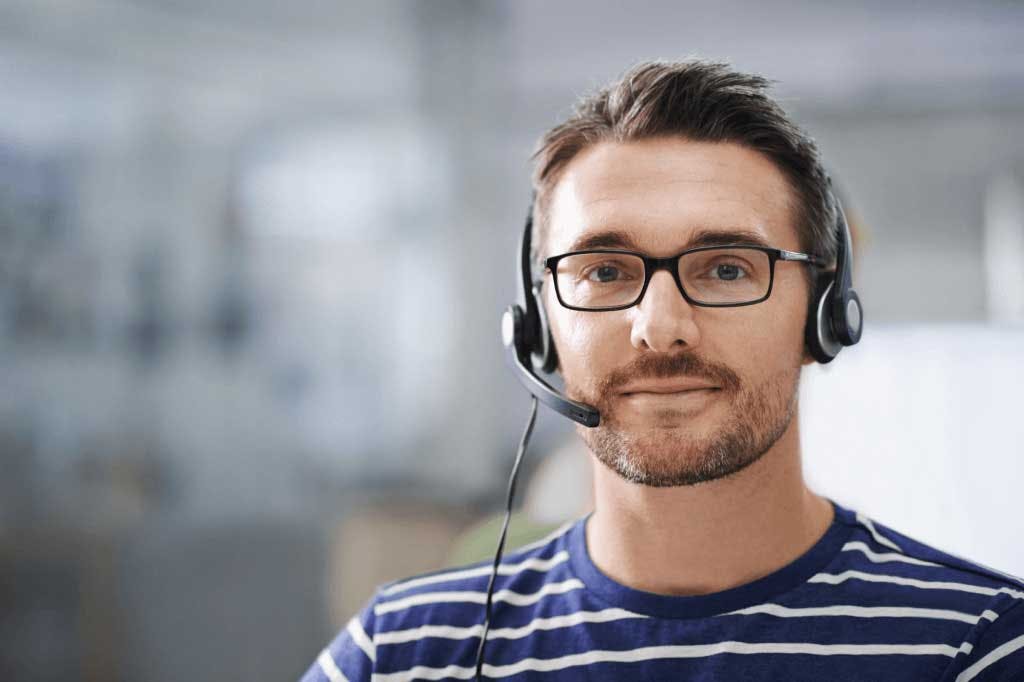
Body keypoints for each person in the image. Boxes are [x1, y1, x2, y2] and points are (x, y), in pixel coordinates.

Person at [300, 60, 1024, 681]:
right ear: (538, 325)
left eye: (727, 267)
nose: (661, 326)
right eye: (605, 270)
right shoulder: (402, 653)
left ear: (823, 315)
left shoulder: (979, 648)